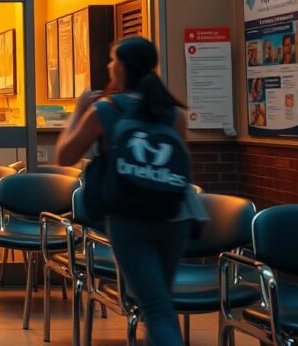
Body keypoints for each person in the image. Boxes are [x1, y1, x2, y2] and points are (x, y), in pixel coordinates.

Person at [55, 36, 207, 346]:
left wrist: (78, 111)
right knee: (161, 303)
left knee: (156, 308)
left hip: (130, 217)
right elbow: (181, 165)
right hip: (174, 217)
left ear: (122, 67)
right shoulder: (173, 113)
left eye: (112, 60)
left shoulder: (105, 110)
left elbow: (65, 156)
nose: (109, 66)